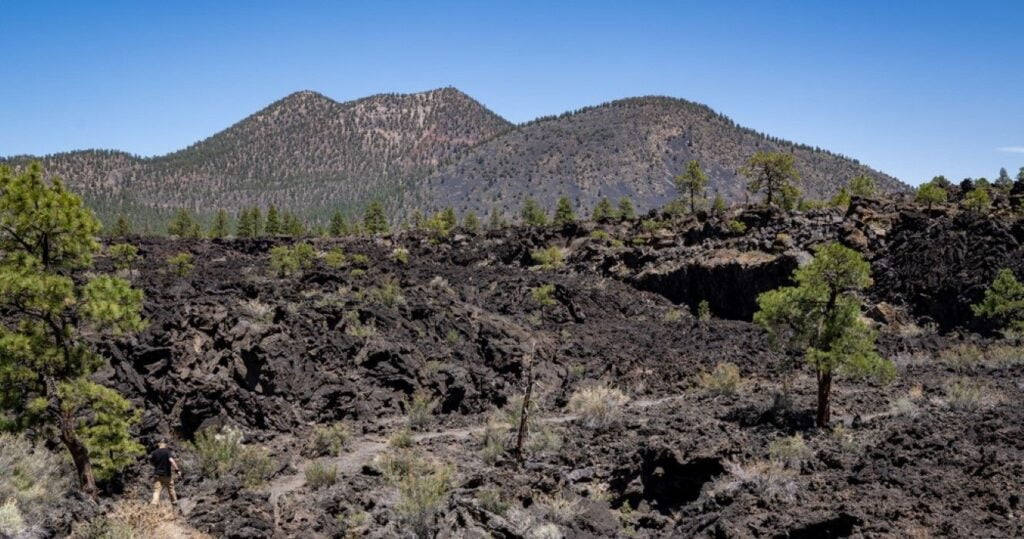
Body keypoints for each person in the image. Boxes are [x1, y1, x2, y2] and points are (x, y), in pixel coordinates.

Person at [150, 441, 180, 506]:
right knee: (171, 488)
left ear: (159, 445)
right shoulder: (167, 451)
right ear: (164, 445)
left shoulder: (155, 452)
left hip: (157, 475)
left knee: (157, 490)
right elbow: (171, 460)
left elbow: (151, 462)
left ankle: (154, 502)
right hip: (167, 475)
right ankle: (174, 502)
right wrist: (177, 470)